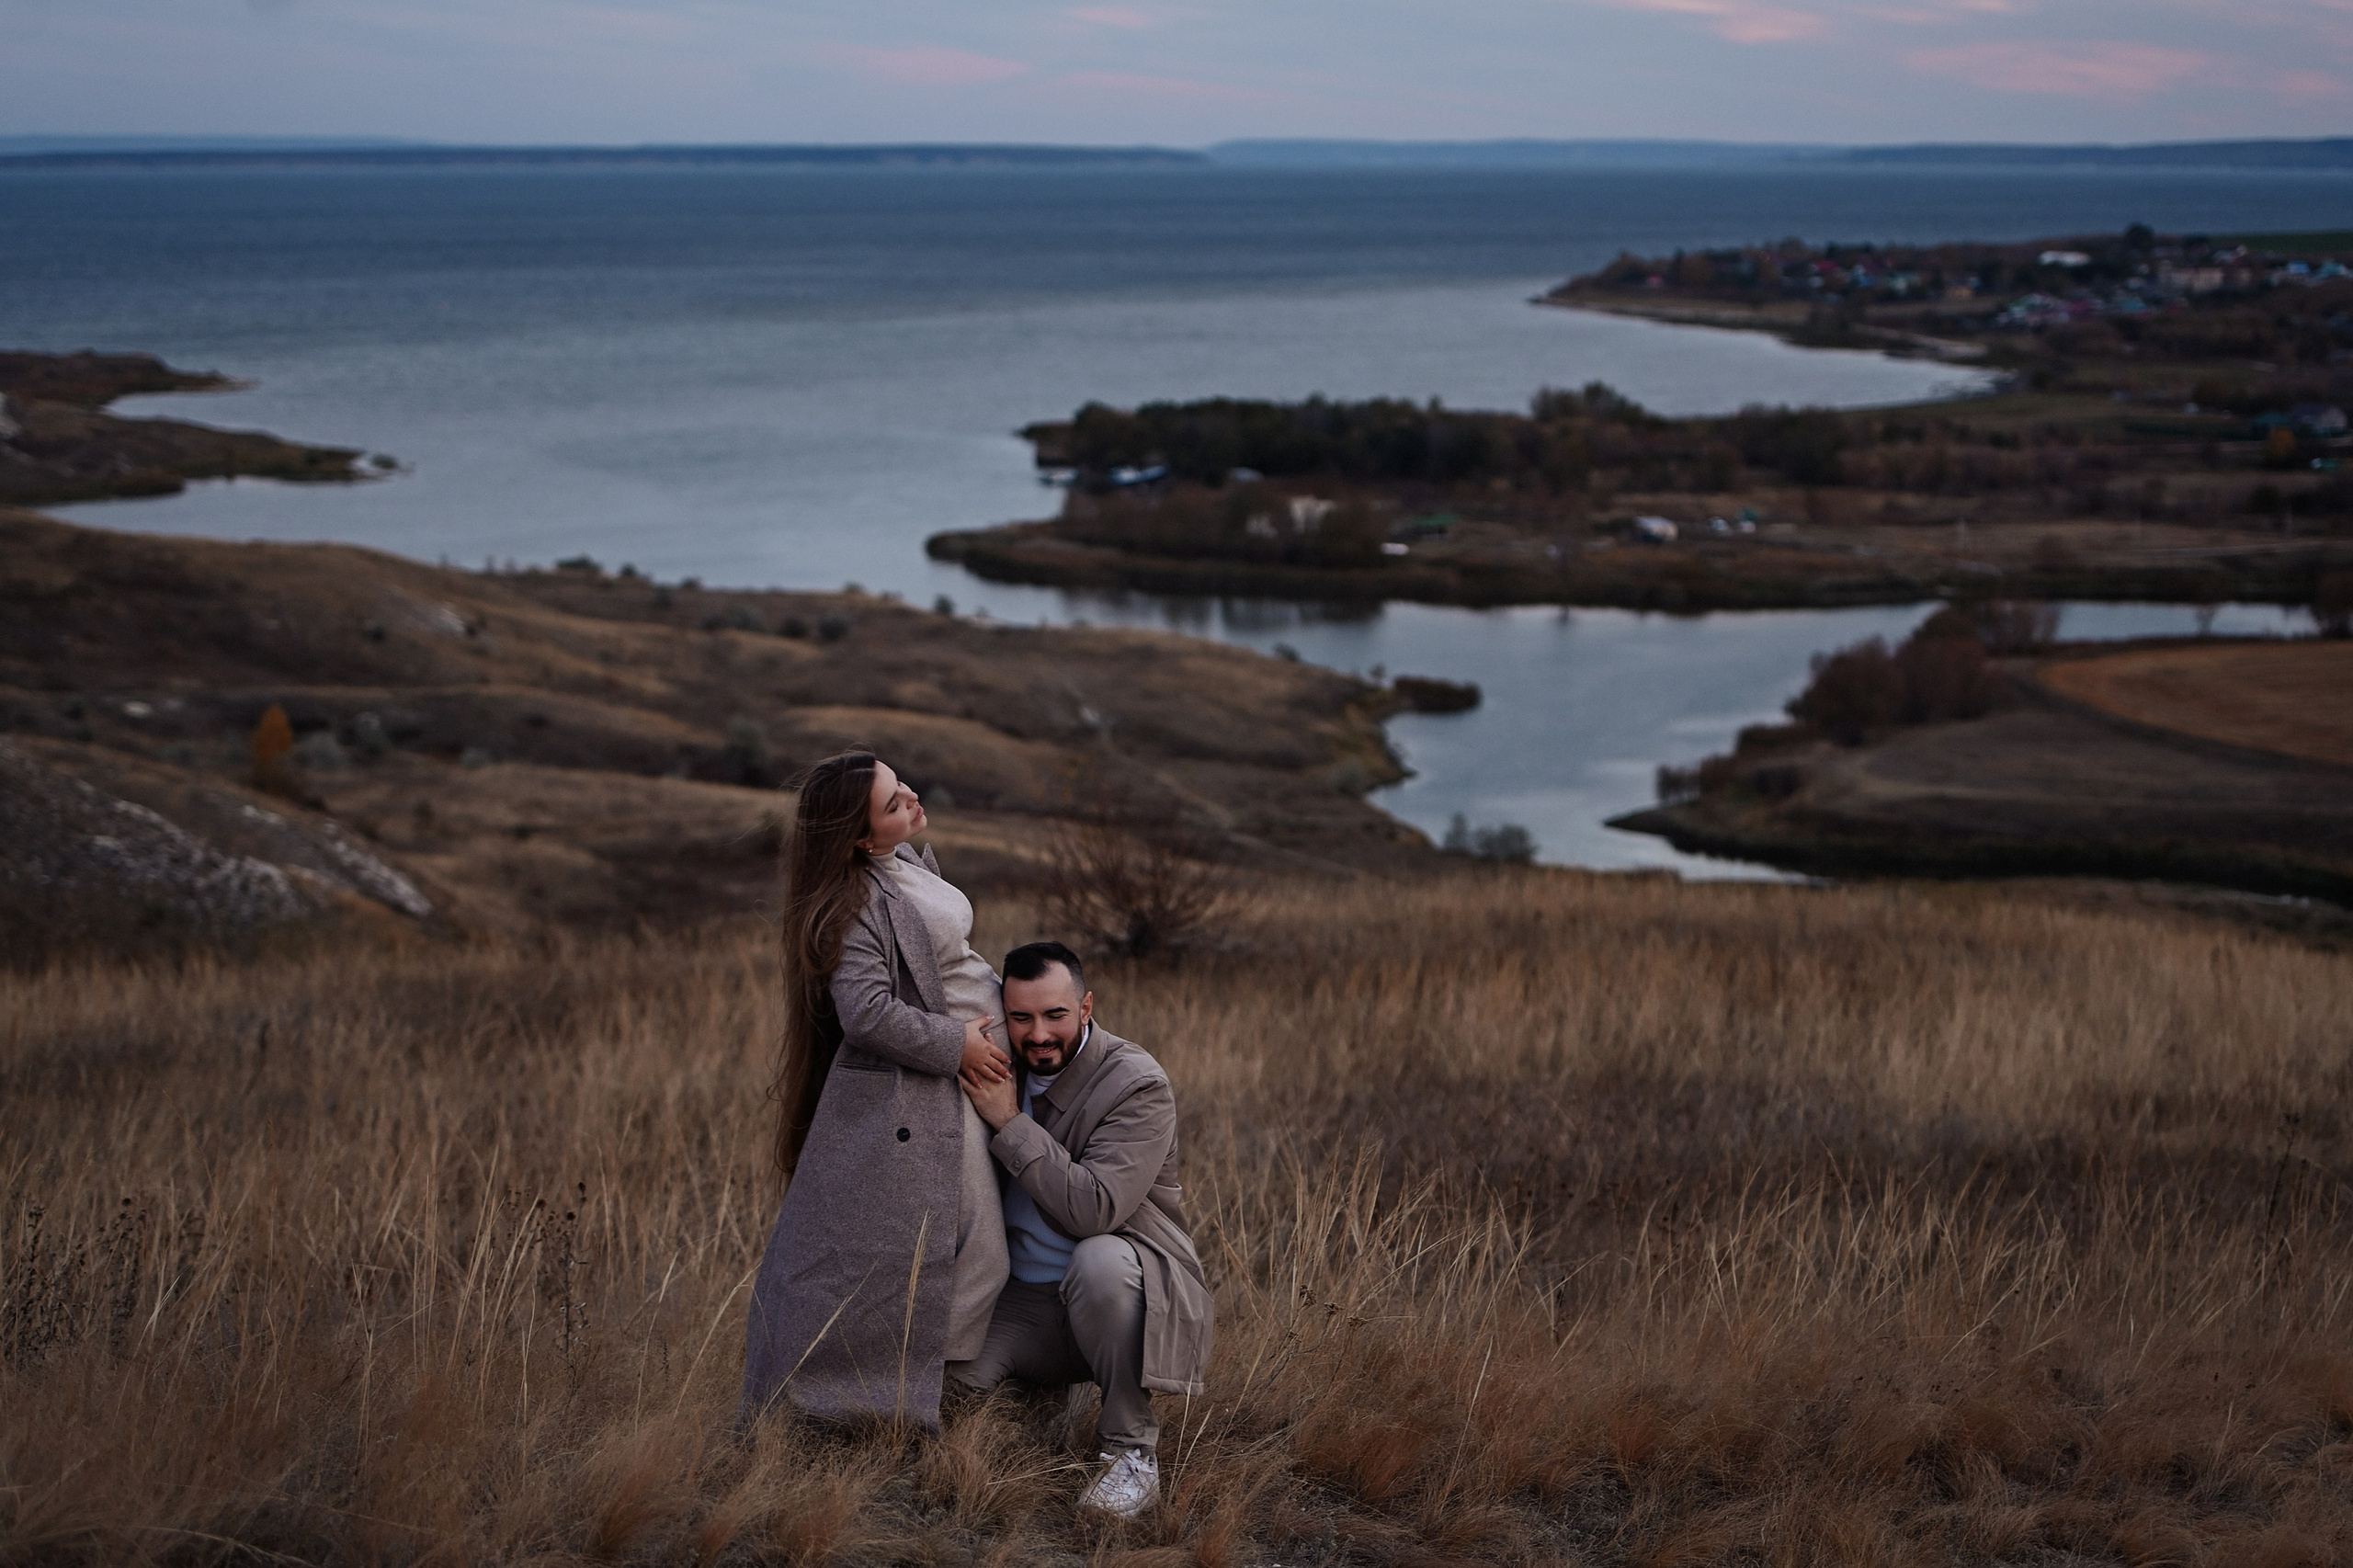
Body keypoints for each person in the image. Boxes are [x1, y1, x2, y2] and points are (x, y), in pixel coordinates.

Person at [741, 750, 1013, 1429]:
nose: (912, 797)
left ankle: (933, 1394)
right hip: (938, 1093)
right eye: (894, 803)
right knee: (980, 1254)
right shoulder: (856, 903)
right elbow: (865, 1012)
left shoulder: (908, 865)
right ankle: (922, 1399)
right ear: (861, 837)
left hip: (977, 1079)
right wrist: (959, 1046)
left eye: (901, 784)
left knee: (991, 1242)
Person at [949, 941, 1213, 1518]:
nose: (1038, 1034)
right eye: (1021, 1018)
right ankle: (1046, 1399)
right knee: (952, 1393)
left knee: (1098, 1260)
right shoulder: (996, 1065)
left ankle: (1131, 1454)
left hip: (1115, 1293)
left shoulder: (1136, 1083)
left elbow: (1096, 1210)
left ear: (1087, 1008)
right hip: (1022, 1302)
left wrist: (1009, 1121)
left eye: (1055, 1015)